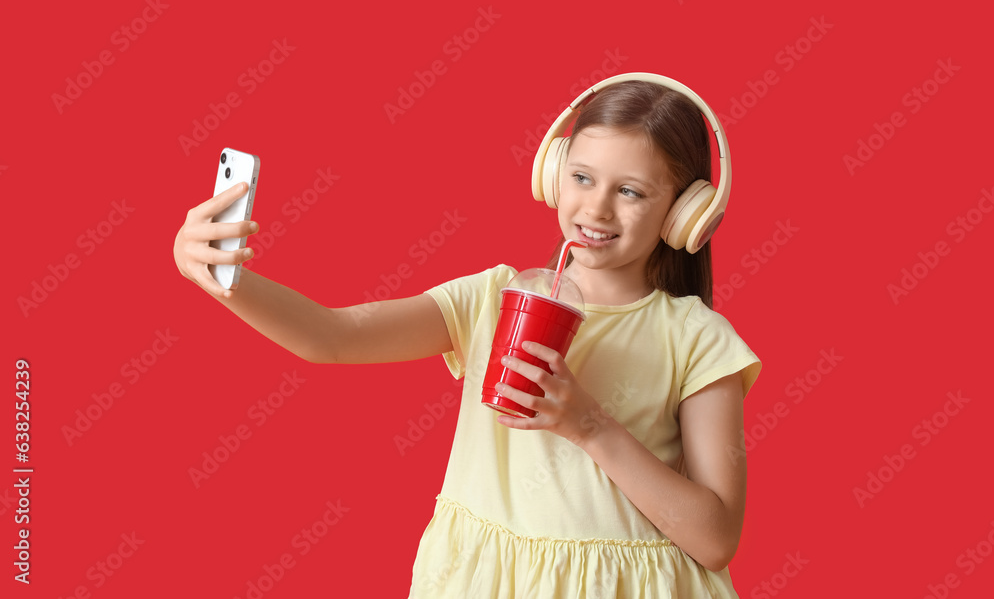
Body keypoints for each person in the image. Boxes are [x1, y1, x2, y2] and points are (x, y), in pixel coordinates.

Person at [173, 74, 762, 598]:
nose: (597, 208)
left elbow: (715, 539)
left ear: (687, 212)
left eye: (630, 191)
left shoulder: (697, 340)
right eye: (582, 177)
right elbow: (333, 336)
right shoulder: (490, 299)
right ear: (554, 175)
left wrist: (588, 424)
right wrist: (228, 281)